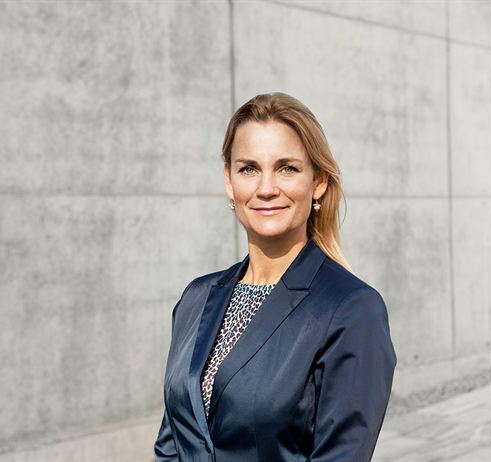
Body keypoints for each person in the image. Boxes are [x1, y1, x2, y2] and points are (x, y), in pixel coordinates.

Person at [154, 92, 396, 462]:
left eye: (287, 168)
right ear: (229, 181)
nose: (266, 189)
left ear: (318, 182)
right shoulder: (196, 297)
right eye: (249, 169)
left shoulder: (351, 309)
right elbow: (172, 441)